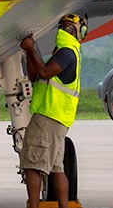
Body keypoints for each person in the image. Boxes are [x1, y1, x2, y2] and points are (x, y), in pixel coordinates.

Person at [18, 13, 86, 208]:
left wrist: (31, 50)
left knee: (32, 165)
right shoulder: (69, 52)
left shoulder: (66, 52)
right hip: (60, 120)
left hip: (47, 117)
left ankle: (34, 205)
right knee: (57, 168)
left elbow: (44, 72)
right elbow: (37, 76)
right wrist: (30, 53)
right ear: (79, 32)